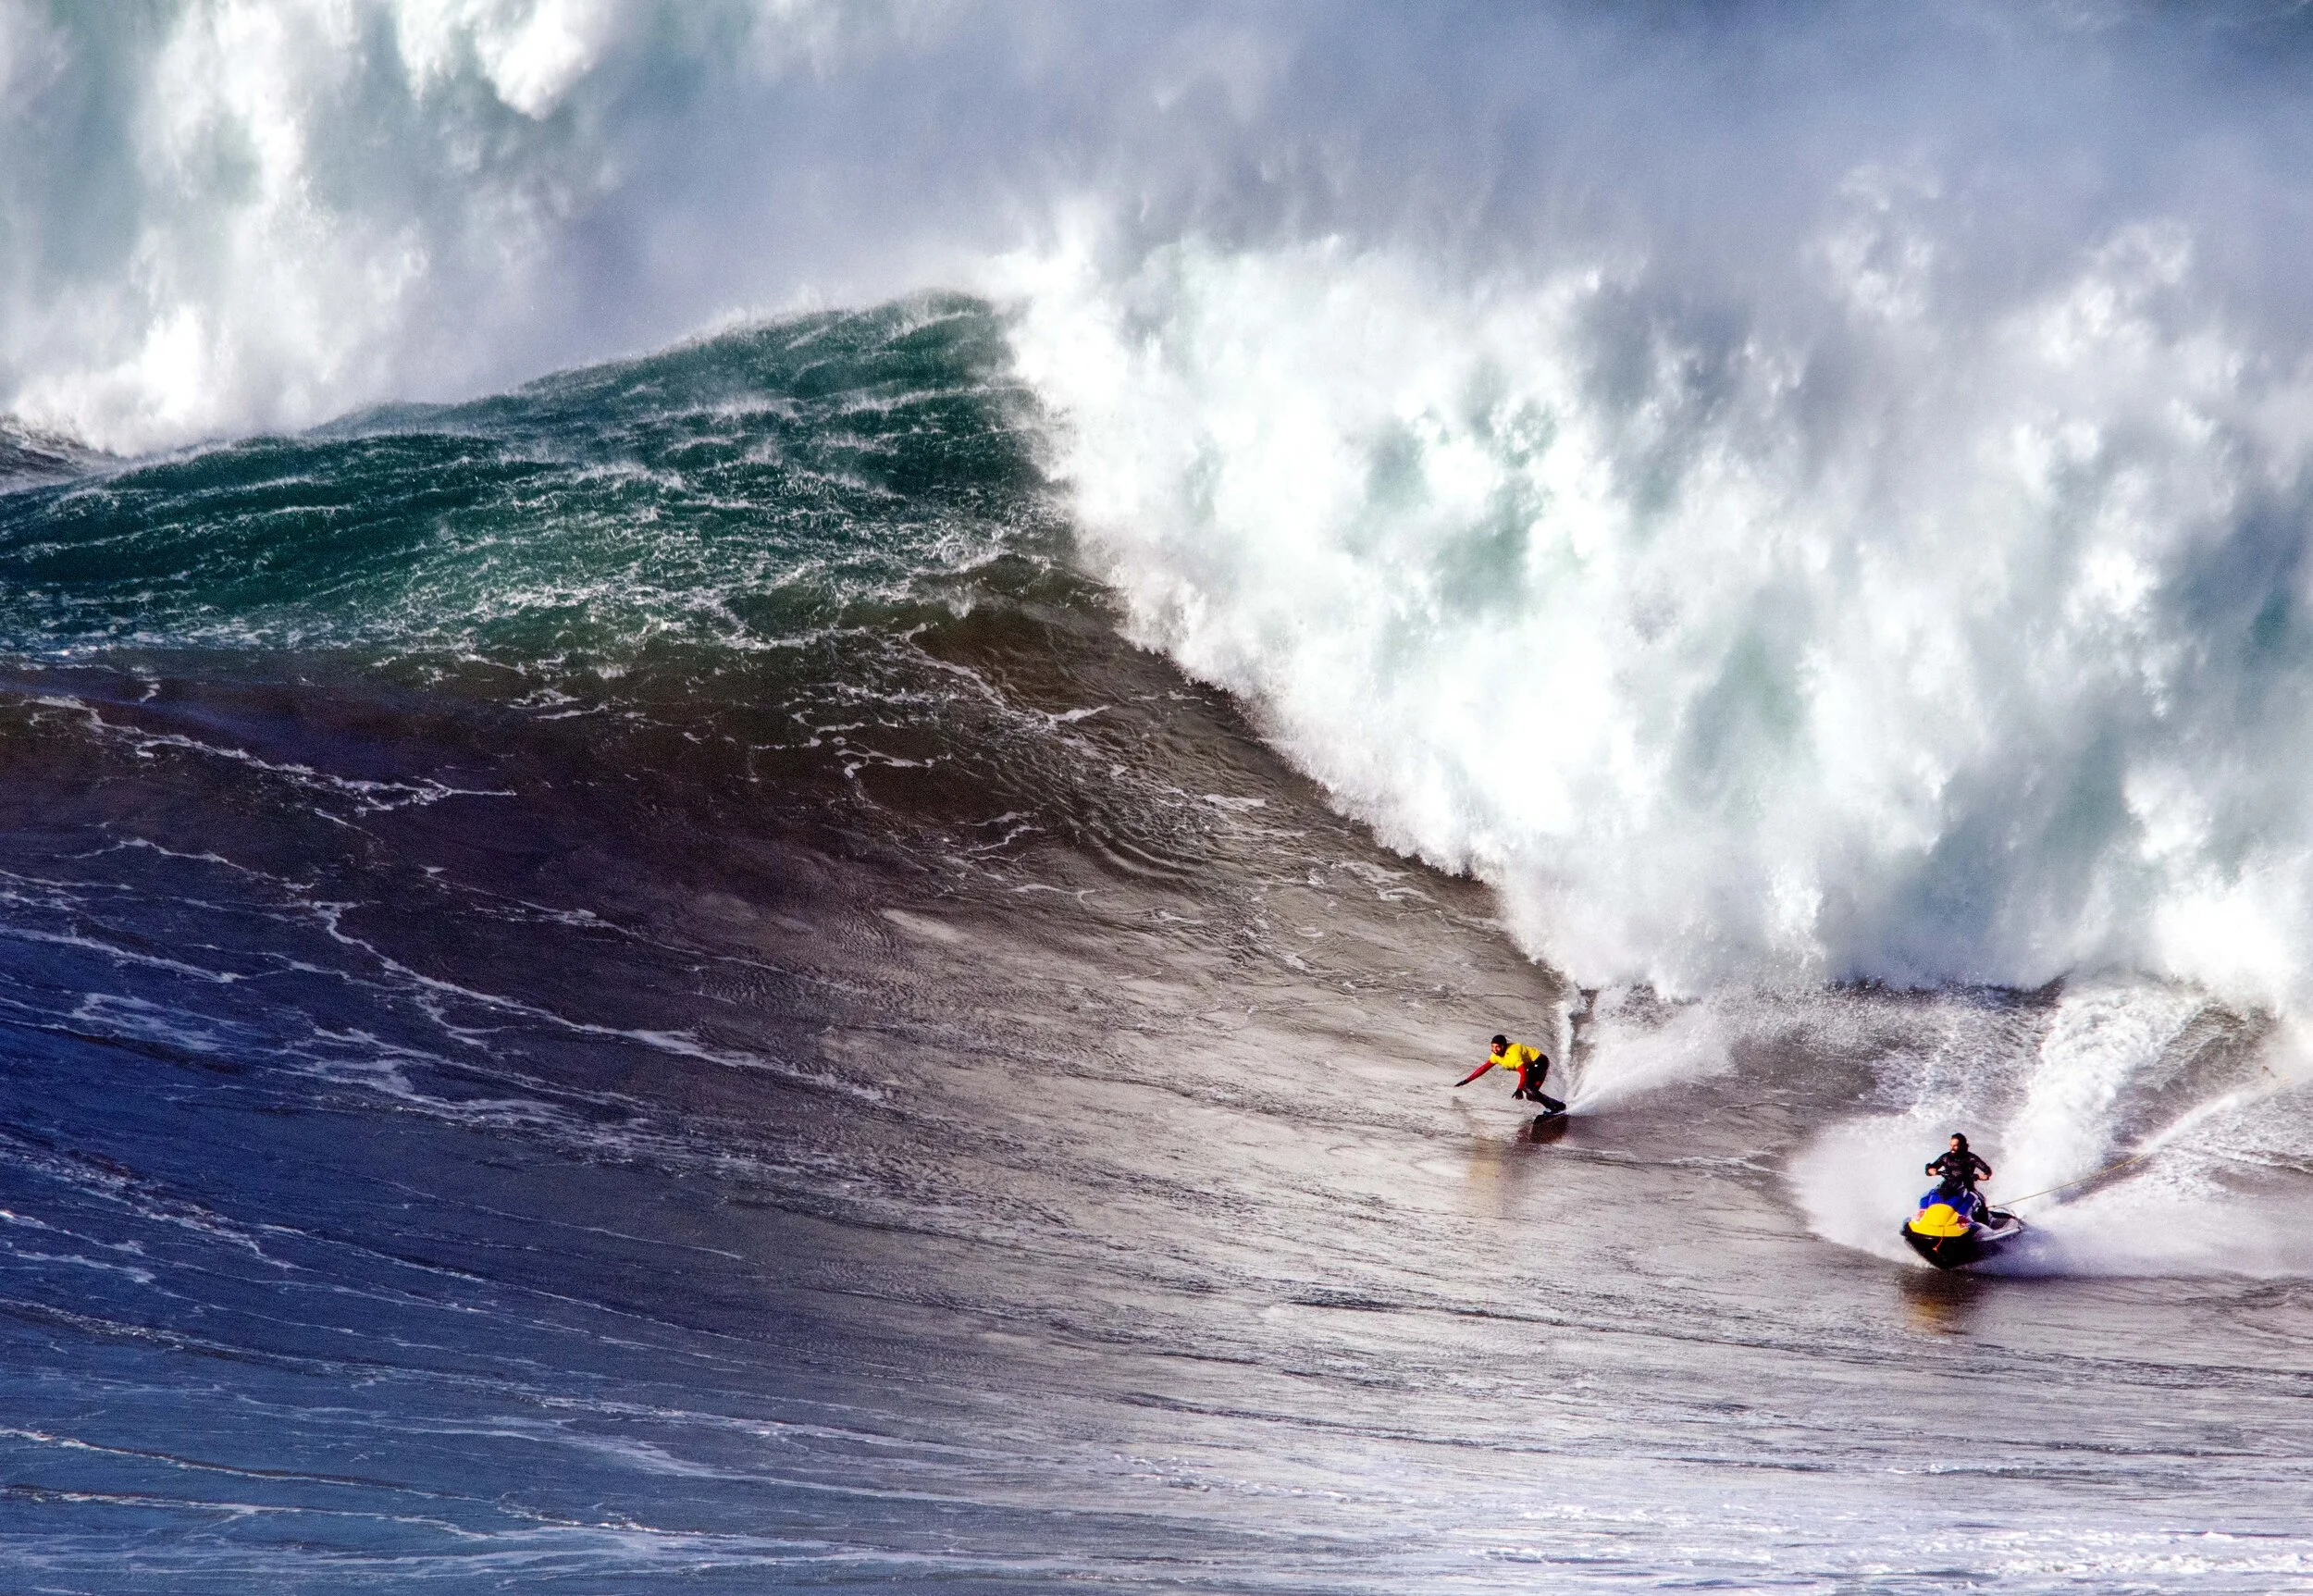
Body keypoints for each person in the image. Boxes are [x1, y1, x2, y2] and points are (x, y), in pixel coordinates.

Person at [1454, 1033, 1565, 1115]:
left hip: (1539, 1062)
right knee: (1531, 1096)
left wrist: (1519, 1089)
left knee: (1527, 1088)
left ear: (1503, 1046)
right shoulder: (1495, 1056)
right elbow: (1483, 1069)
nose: (1495, 1050)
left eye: (1497, 1047)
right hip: (1531, 1066)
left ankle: (1552, 1109)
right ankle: (1558, 1105)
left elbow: (1523, 1073)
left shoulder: (1513, 1053)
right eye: (1492, 1047)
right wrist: (1466, 1081)